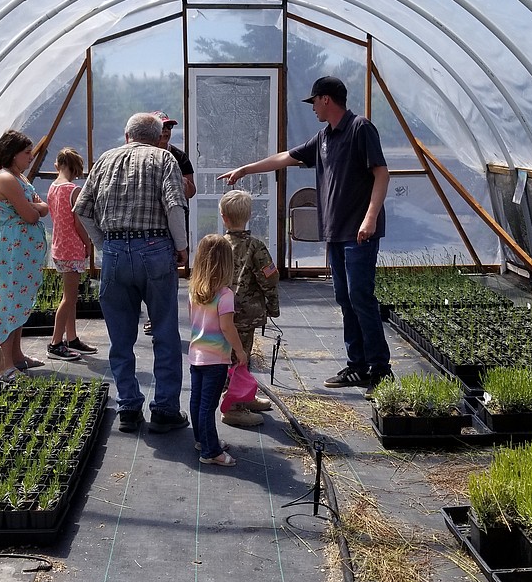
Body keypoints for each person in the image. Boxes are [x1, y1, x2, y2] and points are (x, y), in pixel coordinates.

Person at [219, 75, 392, 395]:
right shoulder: (324, 138)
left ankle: (380, 368)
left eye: (314, 101)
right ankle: (357, 366)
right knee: (345, 298)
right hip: (337, 233)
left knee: (361, 298)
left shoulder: (360, 128)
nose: (312, 107)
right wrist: (246, 169)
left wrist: (369, 219)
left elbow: (381, 173)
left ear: (326, 99)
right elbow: (286, 157)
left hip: (359, 233)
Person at [73, 112, 190, 433]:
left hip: (114, 253)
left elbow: (81, 209)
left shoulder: (105, 161)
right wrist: (182, 246)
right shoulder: (164, 159)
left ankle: (128, 407)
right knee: (165, 333)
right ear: (156, 137)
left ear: (127, 136)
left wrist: (104, 244)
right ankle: (165, 409)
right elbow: (174, 205)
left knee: (120, 339)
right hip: (155, 251)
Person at [0, 129, 50, 384]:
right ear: (13, 154)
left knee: (19, 302)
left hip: (24, 254)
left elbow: (43, 207)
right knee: (8, 302)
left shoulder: (20, 178)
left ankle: (16, 356)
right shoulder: (7, 179)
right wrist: (35, 208)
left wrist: (36, 208)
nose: (30, 157)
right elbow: (32, 214)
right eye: (26, 153)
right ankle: (4, 367)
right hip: (13, 253)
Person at [187, 234, 249, 466]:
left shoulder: (195, 292)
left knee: (196, 401)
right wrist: (240, 351)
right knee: (208, 405)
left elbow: (194, 321)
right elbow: (227, 327)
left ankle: (202, 440)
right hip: (215, 360)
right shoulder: (225, 295)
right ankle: (211, 452)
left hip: (196, 355)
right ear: (226, 264)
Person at [219, 189, 278, 425]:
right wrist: (273, 306)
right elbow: (269, 278)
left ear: (223, 216)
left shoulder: (218, 245)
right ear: (250, 215)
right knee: (240, 357)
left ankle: (245, 395)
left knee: (234, 355)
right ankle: (233, 406)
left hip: (223, 312)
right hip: (246, 313)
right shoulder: (256, 246)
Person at [143, 109, 196, 336]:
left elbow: (192, 191)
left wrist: (181, 183)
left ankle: (164, 320)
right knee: (148, 275)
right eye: (163, 127)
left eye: (169, 128)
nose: (166, 131)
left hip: (173, 223)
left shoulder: (179, 157)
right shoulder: (144, 155)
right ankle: (153, 318)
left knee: (170, 274)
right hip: (150, 223)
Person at [45, 147, 97, 361]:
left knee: (70, 297)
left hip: (59, 247)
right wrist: (89, 244)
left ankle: (72, 338)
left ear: (58, 165)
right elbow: (78, 222)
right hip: (72, 249)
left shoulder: (52, 188)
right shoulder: (73, 190)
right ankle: (55, 343)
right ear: (75, 168)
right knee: (69, 298)